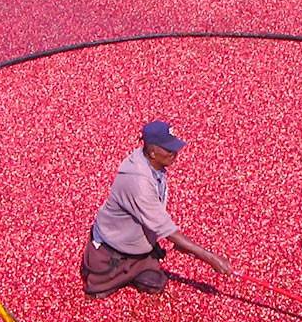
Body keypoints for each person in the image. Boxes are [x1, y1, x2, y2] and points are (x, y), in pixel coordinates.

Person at [82, 120, 231, 298]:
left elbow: (157, 218)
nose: (175, 153)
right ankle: (107, 270)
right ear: (153, 152)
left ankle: (138, 264)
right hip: (112, 247)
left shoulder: (153, 164)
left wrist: (182, 244)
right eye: (168, 150)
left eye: (175, 148)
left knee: (155, 283)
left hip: (138, 246)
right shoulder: (138, 181)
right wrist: (210, 258)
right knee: (97, 291)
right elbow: (164, 227)